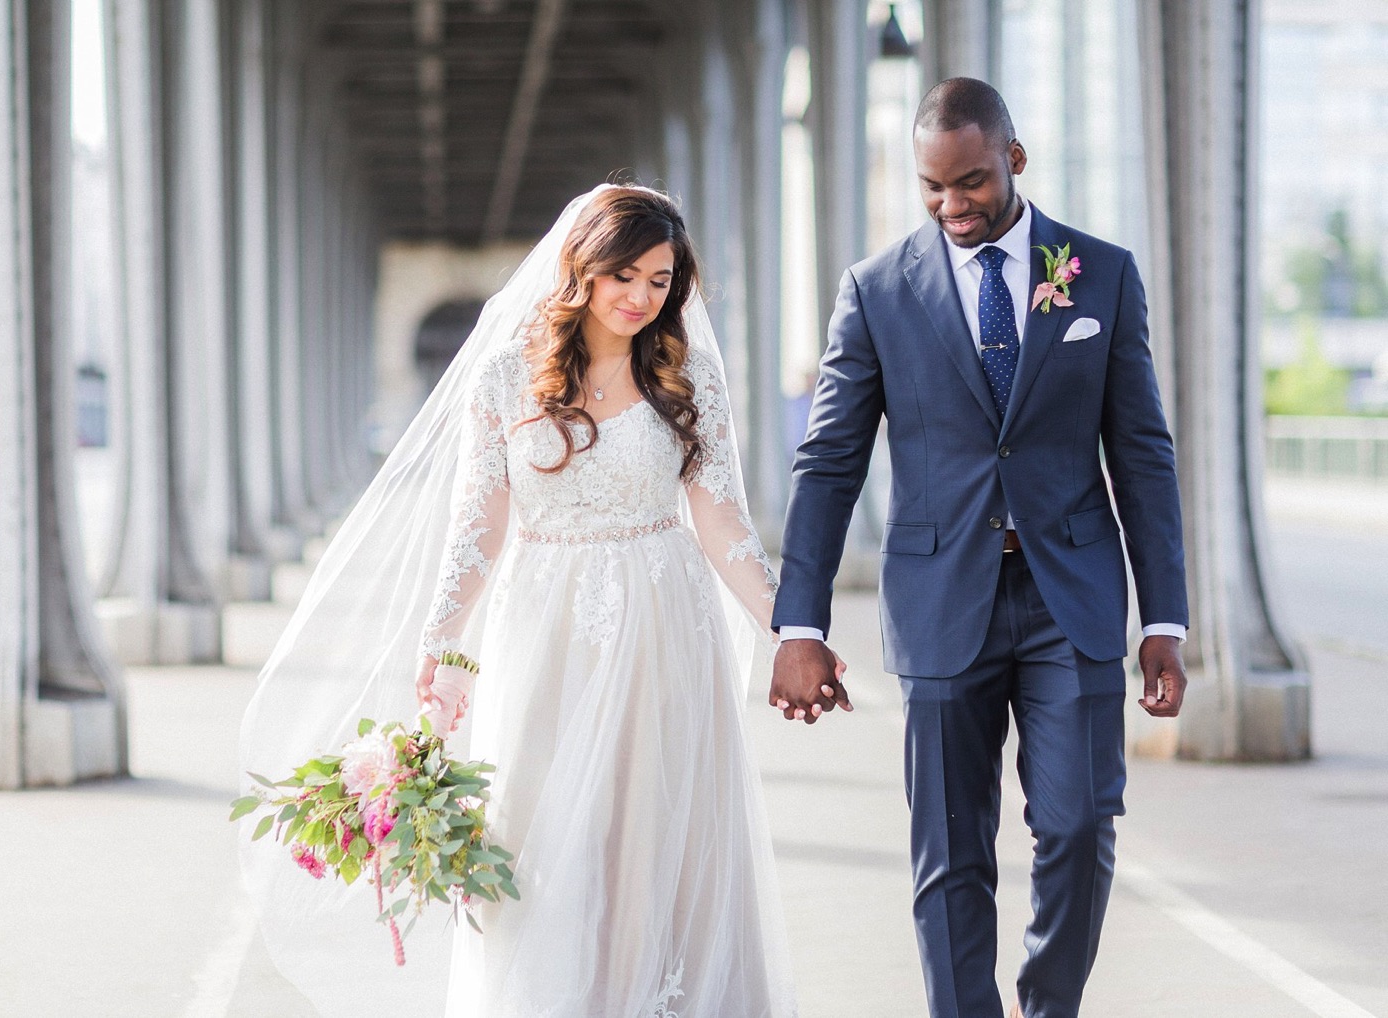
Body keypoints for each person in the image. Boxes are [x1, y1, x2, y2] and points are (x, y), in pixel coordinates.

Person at [240, 185, 802, 1017]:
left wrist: (791, 630)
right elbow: (480, 522)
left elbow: (720, 519)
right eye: (626, 275)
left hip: (663, 622)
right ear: (583, 268)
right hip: (543, 627)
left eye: (660, 281)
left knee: (651, 834)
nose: (642, 298)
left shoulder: (688, 375)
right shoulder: (508, 374)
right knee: (546, 833)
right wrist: (445, 643)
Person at [769, 78, 1189, 1018]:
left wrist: (1163, 615)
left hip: (1068, 600)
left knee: (1079, 829)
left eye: (971, 183)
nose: (953, 206)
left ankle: (1049, 1007)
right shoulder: (876, 293)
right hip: (939, 599)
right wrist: (798, 622)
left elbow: (1143, 453)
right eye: (932, 188)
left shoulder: (1101, 274)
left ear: (1015, 161)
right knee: (951, 854)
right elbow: (829, 463)